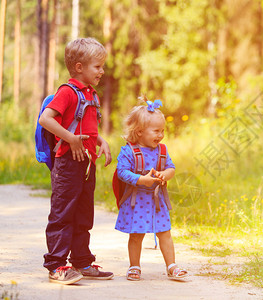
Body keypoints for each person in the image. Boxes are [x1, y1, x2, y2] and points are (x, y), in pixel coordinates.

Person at [39, 37, 114, 285]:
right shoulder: (67, 92)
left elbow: (88, 127)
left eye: (102, 66)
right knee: (63, 214)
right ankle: (57, 266)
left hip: (86, 164)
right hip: (67, 165)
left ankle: (81, 261)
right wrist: (71, 139)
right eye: (98, 66)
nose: (102, 71)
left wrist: (101, 141)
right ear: (79, 67)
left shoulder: (90, 94)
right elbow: (46, 119)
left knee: (83, 214)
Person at [115, 100, 188, 281]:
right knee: (136, 235)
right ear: (139, 131)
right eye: (156, 131)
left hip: (157, 201)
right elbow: (121, 172)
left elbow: (171, 167)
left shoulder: (162, 150)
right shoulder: (128, 151)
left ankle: (172, 266)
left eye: (162, 131)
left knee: (165, 233)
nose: (161, 135)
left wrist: (165, 174)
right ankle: (134, 266)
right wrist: (141, 180)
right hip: (137, 200)